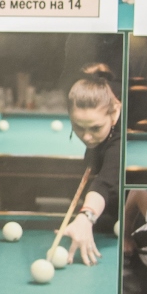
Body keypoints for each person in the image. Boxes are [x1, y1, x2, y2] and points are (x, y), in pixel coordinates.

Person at [50, 65, 125, 264]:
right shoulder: (102, 95)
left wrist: (87, 217)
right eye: (78, 127)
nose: (87, 137)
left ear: (115, 113)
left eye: (95, 128)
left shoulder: (121, 142)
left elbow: (105, 182)